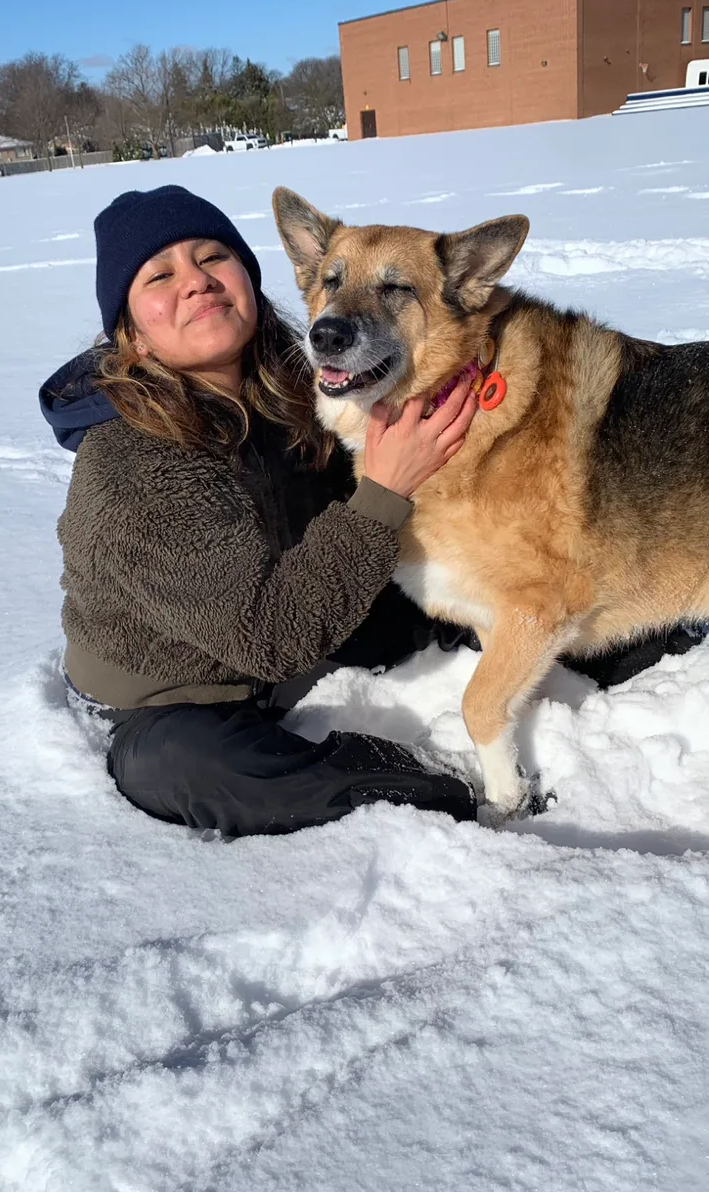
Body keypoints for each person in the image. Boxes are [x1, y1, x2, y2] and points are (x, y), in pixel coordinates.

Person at [39, 185, 704, 837]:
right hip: (177, 702)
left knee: (500, 597)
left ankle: (645, 641)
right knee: (231, 773)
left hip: (312, 622)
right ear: (132, 335)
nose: (196, 282)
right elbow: (269, 638)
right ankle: (442, 797)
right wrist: (386, 487)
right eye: (160, 275)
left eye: (213, 257)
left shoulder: (301, 387)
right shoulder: (130, 464)